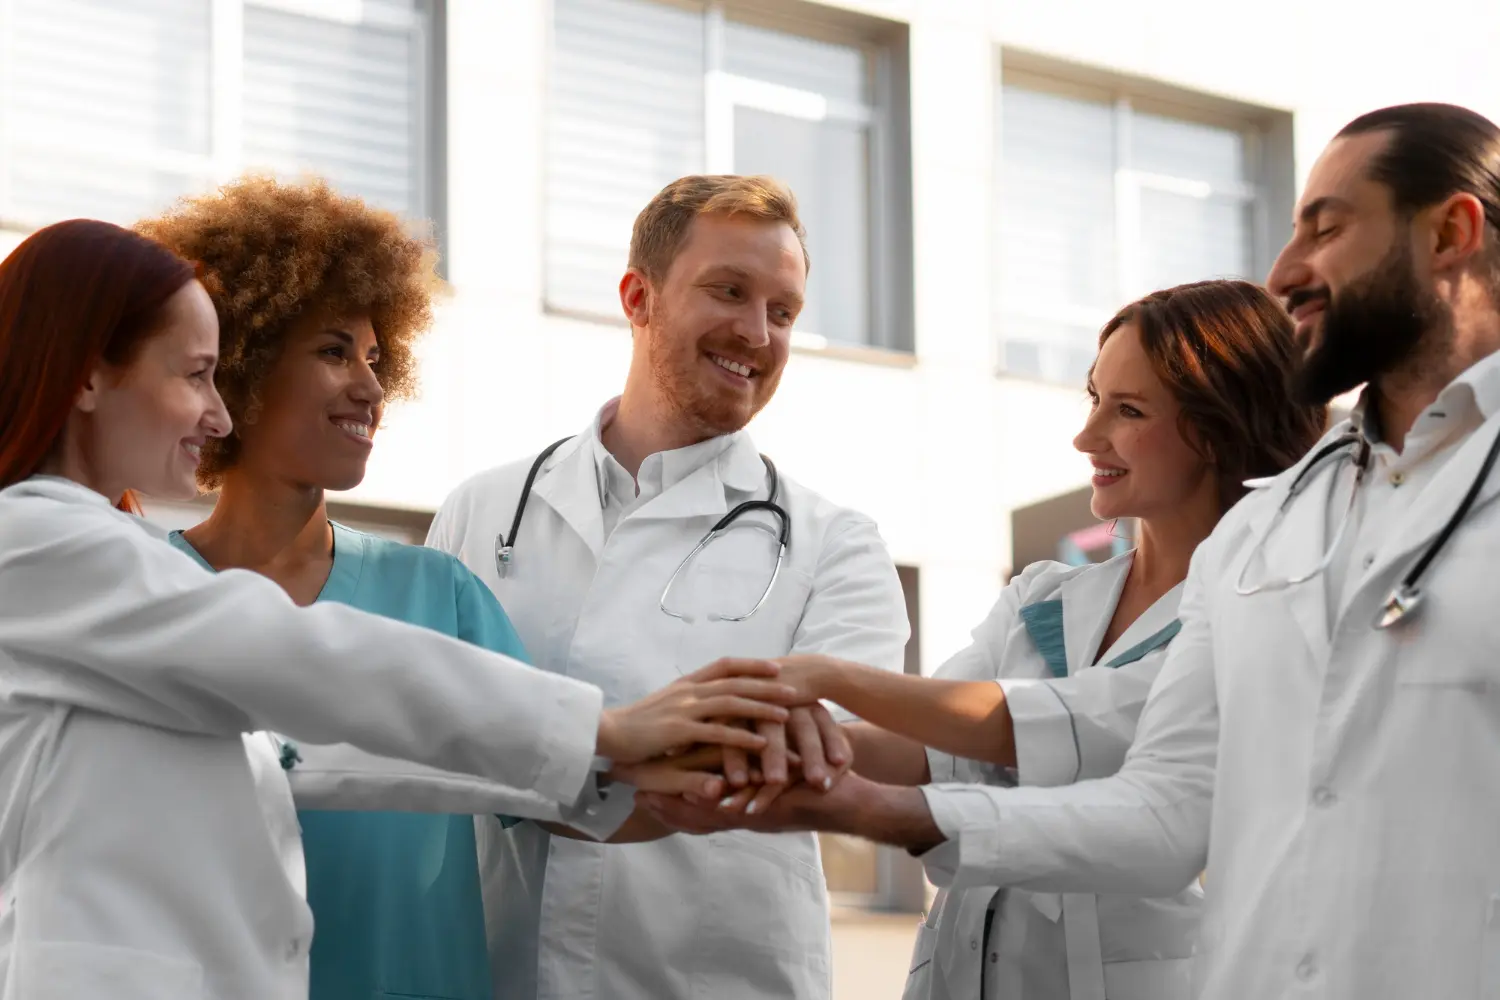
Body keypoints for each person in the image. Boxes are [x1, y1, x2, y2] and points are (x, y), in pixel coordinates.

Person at [658, 102, 1500, 999]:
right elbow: (1163, 804)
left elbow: (1084, 726)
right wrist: (802, 768)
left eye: (1325, 229)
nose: (1286, 269)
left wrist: (828, 690)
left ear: (1452, 231)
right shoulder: (1265, 530)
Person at [0, 218, 802, 1000]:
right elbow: (290, 656)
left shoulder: (103, 554)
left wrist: (622, 775)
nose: (217, 414)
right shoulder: (35, 543)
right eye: (194, 374)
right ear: (90, 375)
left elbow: (316, 761)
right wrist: (607, 729)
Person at [643, 279, 1326, 1000]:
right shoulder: (1045, 595)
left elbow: (1060, 724)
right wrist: (739, 744)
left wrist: (826, 679)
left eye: (1128, 410)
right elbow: (931, 747)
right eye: (1094, 399)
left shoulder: (1267, 608)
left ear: (1218, 429)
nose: (1087, 436)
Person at [426, 174, 910, 999]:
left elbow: (816, 762)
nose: (758, 333)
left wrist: (528, 757)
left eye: (783, 312)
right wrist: (634, 749)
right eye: (730, 291)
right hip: (494, 973)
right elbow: (426, 726)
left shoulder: (836, 544)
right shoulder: (486, 508)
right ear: (638, 296)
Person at [136, 176, 535, 1000]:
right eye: (332, 350)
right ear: (235, 367)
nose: (371, 386)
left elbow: (568, 782)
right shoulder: (143, 594)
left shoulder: (442, 594)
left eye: (376, 357)